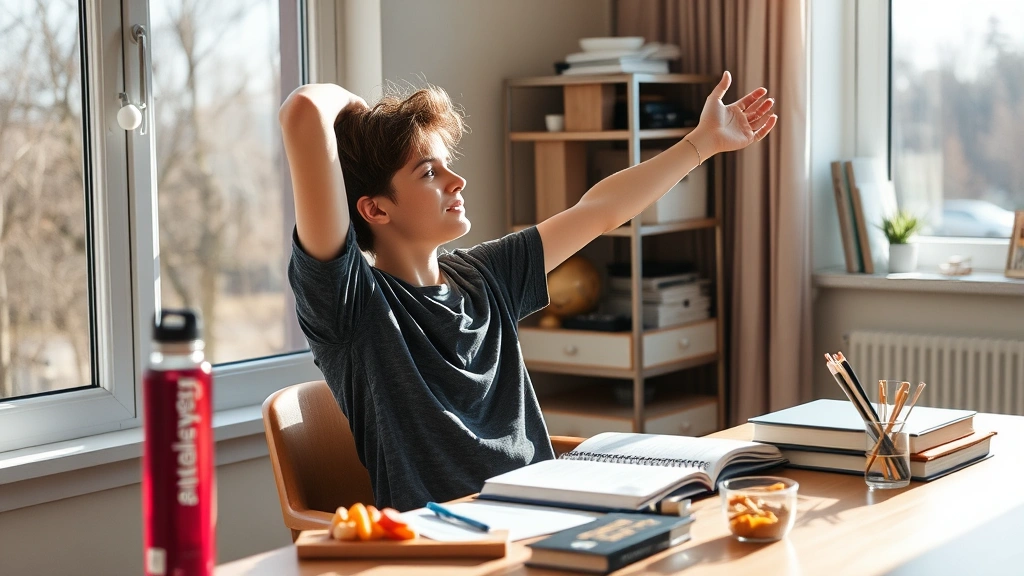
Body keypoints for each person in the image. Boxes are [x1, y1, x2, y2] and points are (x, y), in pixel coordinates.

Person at [280, 71, 777, 511]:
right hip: (451, 545)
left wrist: (701, 144)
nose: (458, 180)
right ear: (374, 210)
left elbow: (600, 210)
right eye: (429, 172)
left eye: (447, 164)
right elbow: (302, 111)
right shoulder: (352, 305)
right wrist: (359, 112)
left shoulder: (484, 276)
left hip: (547, 511)